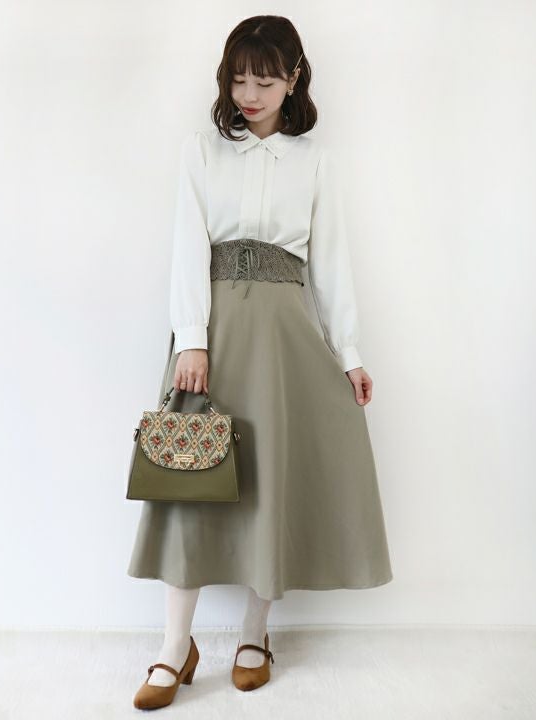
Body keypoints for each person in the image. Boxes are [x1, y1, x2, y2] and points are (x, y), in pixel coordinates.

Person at [128, 14, 393, 710]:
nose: (249, 94)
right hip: (212, 339)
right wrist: (192, 336)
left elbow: (330, 265)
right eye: (239, 79)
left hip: (285, 343)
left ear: (294, 79)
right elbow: (187, 245)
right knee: (187, 483)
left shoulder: (314, 161)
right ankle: (174, 645)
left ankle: (254, 633)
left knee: (269, 483)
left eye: (265, 81)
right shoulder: (202, 151)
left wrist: (350, 353)